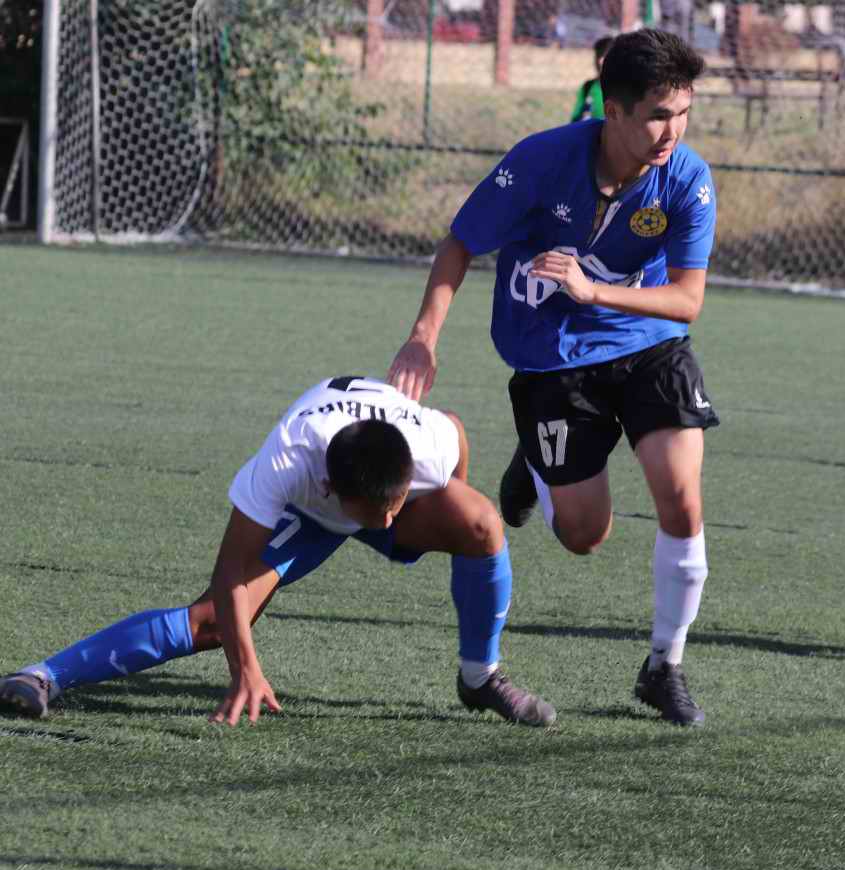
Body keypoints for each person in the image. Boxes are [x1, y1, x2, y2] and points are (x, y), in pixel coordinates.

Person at [389, 29, 717, 727]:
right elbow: (460, 243)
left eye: (684, 113)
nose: (673, 131)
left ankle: (664, 666)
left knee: (681, 498)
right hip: (552, 354)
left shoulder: (686, 177)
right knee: (583, 535)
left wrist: (595, 292)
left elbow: (687, 299)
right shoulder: (541, 161)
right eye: (658, 115)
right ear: (613, 110)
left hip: (649, 344)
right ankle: (535, 466)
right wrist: (423, 338)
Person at [0, 376, 555, 727]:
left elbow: (454, 429)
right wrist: (244, 668)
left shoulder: (425, 448)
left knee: (480, 522)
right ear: (331, 490)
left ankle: (480, 677)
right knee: (213, 621)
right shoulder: (286, 463)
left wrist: (443, 499)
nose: (390, 524)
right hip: (307, 514)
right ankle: (43, 675)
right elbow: (229, 572)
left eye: (396, 507)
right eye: (379, 514)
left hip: (374, 478)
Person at [569, 35, 614, 123]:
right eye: (598, 55)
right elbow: (575, 121)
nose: (600, 61)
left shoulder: (625, 90)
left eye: (605, 56)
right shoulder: (588, 87)